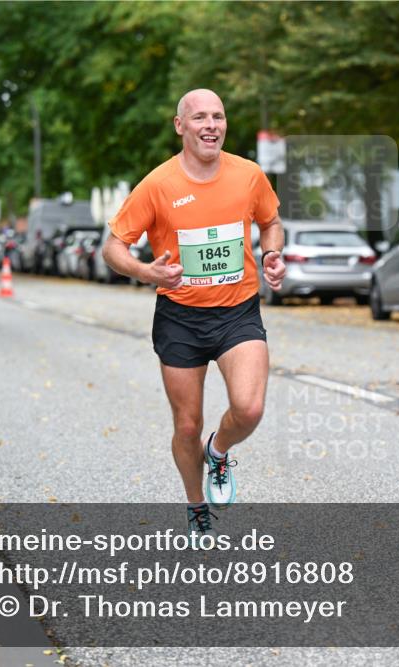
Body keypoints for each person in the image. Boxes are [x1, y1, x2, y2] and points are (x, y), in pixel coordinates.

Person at [102, 89, 285, 540]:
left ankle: (218, 452)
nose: (211, 125)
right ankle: (196, 505)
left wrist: (272, 254)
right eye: (199, 116)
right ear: (180, 125)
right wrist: (148, 272)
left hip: (238, 311)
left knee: (250, 407)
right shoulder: (159, 184)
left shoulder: (248, 175)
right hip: (180, 316)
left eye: (218, 116)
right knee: (186, 424)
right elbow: (112, 248)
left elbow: (270, 222)